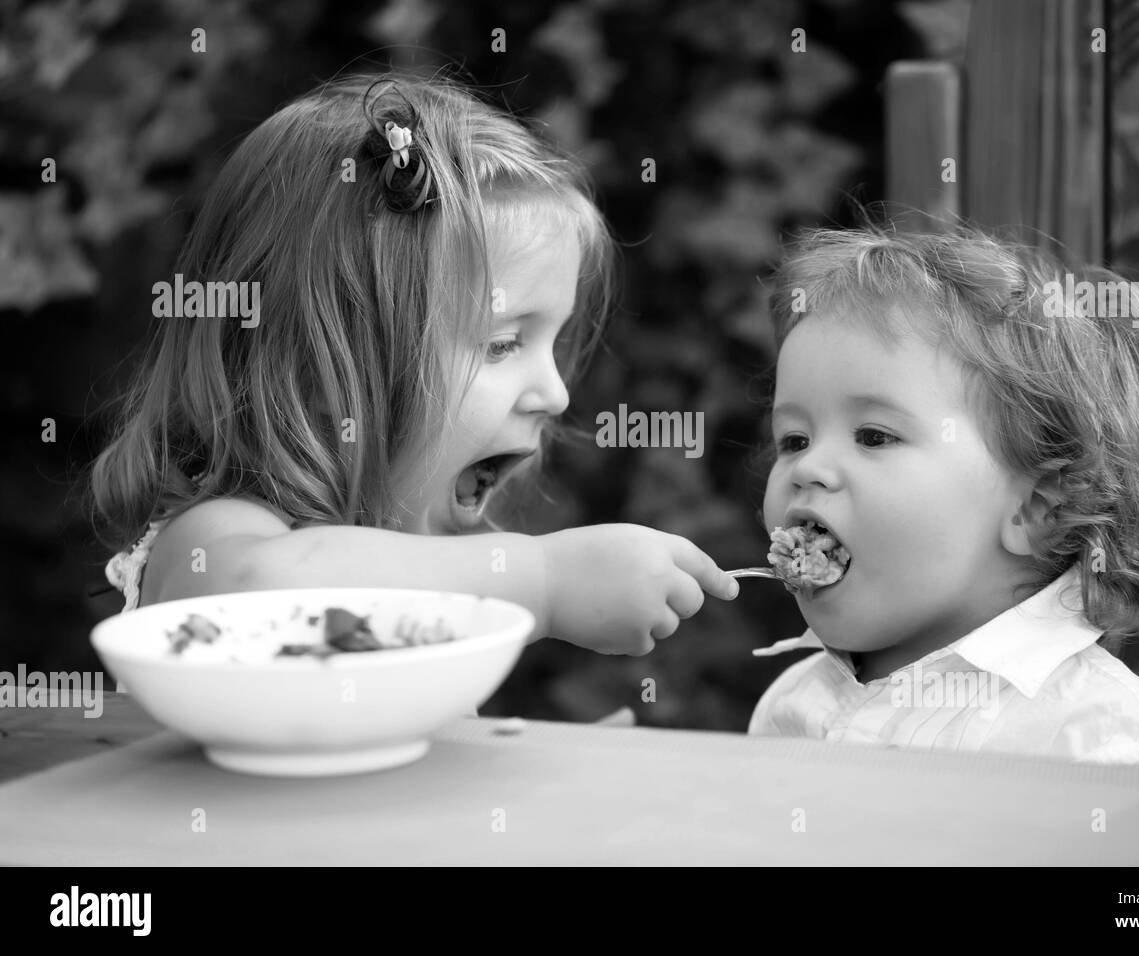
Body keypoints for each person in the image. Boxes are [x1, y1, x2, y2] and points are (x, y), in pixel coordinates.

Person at [89, 74, 738, 657]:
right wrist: (540, 581)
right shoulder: (214, 541)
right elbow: (258, 597)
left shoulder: (423, 568)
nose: (556, 395)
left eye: (554, 341)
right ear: (320, 376)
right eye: (504, 344)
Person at [749, 224, 1139, 770]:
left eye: (874, 436)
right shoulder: (789, 707)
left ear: (1037, 508)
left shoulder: (1098, 743)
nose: (809, 468)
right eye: (793, 440)